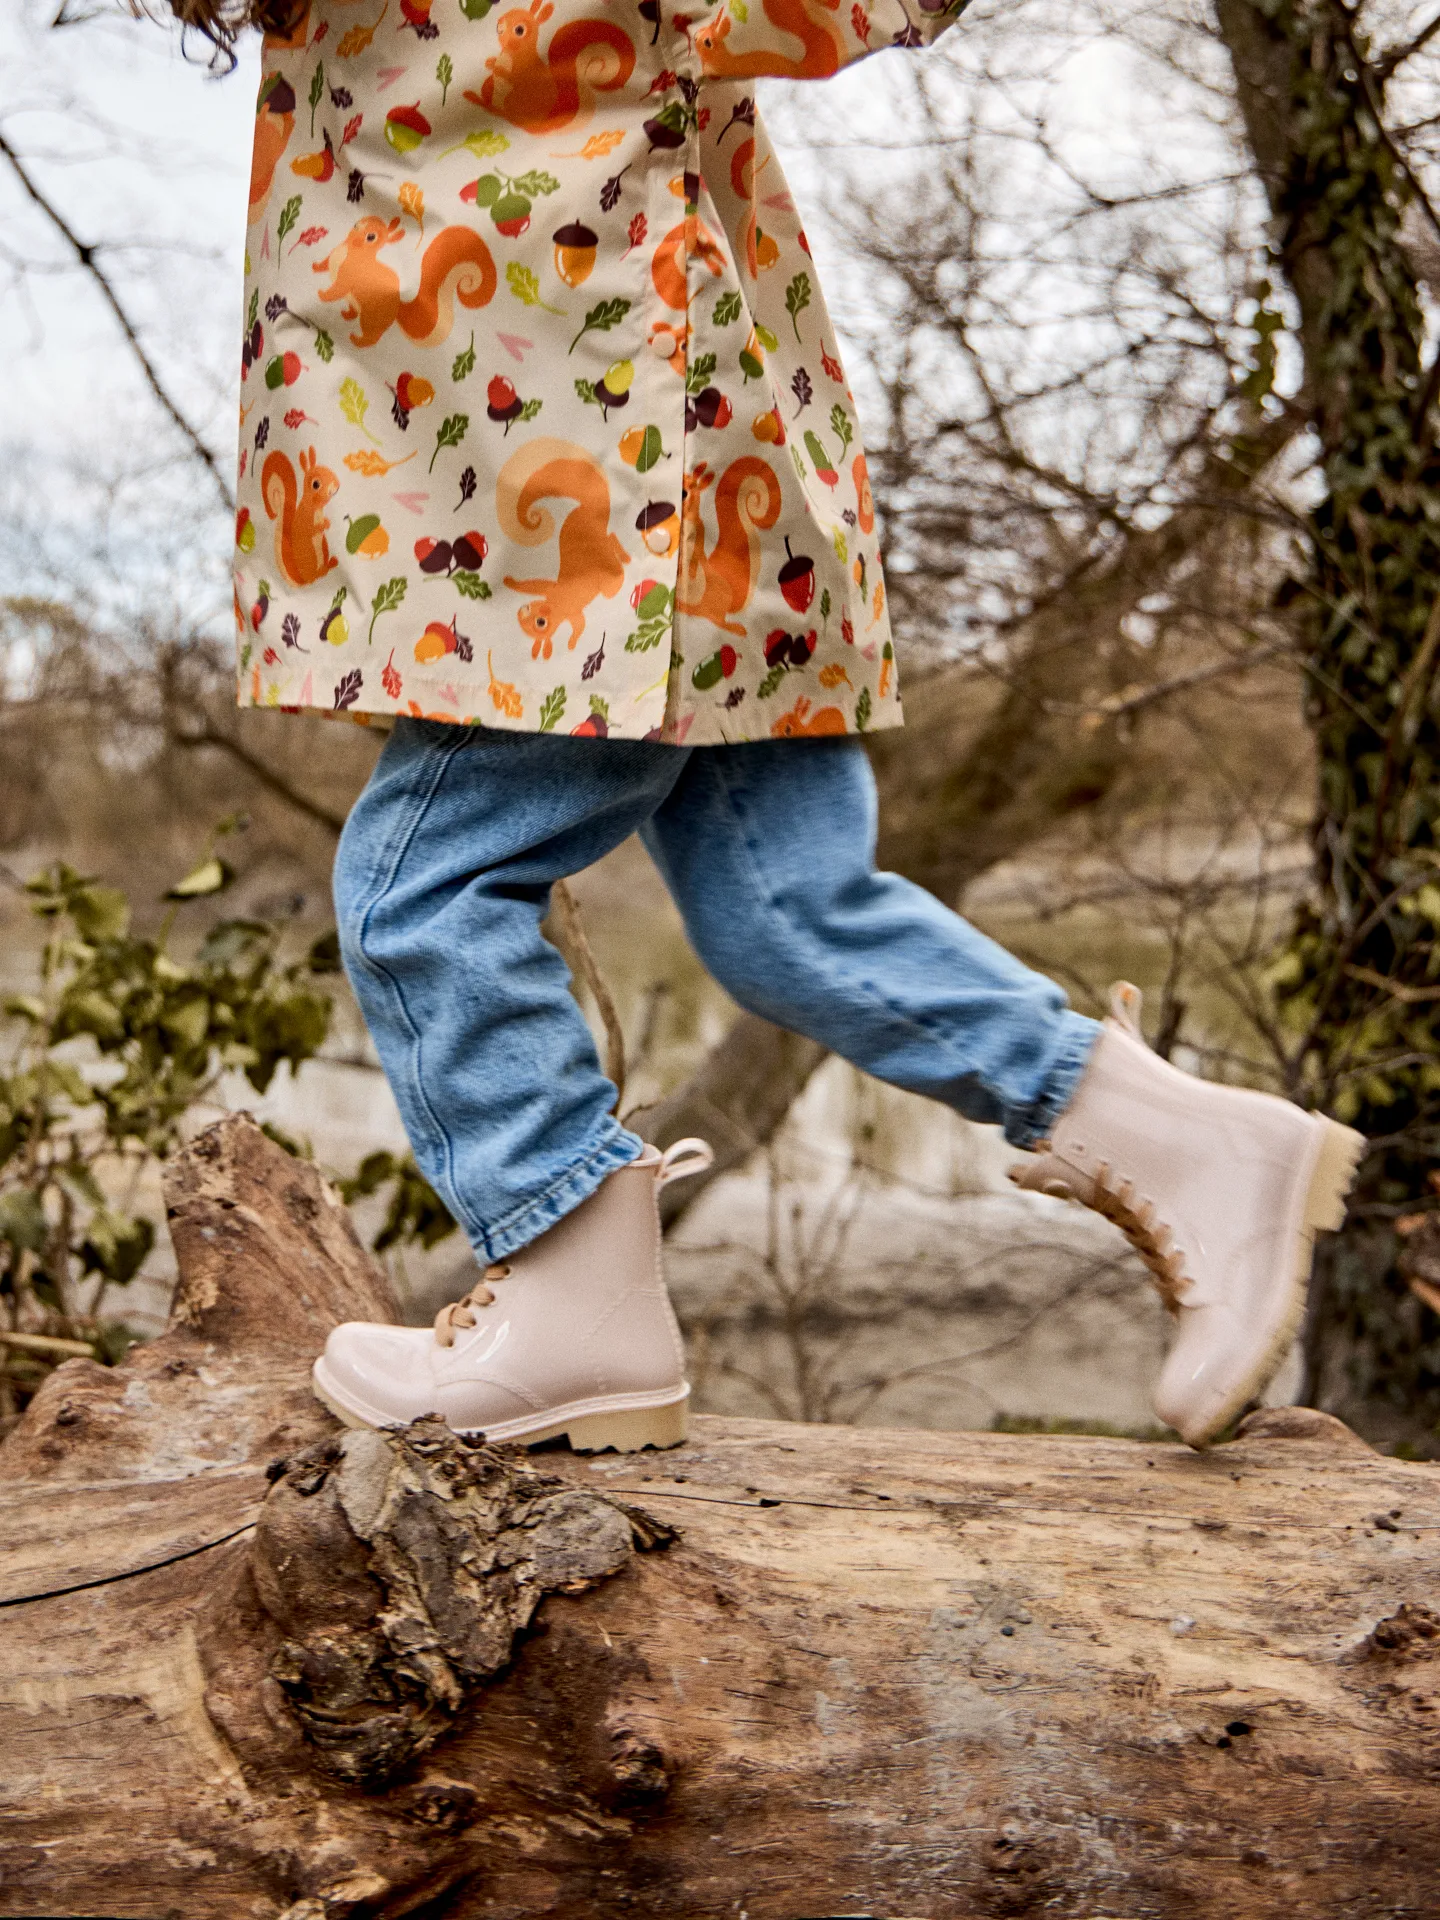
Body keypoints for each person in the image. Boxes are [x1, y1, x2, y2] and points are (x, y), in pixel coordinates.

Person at [187, 0, 1361, 1452]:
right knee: (784, 909)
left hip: (603, 493)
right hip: (657, 478)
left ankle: (572, 1295)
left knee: (417, 890)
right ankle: (1187, 1143)